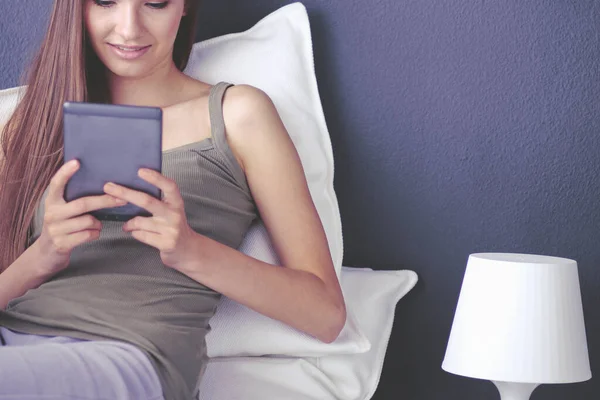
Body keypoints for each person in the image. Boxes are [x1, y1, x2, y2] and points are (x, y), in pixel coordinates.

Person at [0, 1, 346, 399]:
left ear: (184, 7)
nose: (129, 29)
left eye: (155, 3)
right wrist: (42, 255)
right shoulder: (31, 126)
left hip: (126, 355)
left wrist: (191, 250)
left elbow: (326, 314)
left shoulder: (239, 115)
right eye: (106, 2)